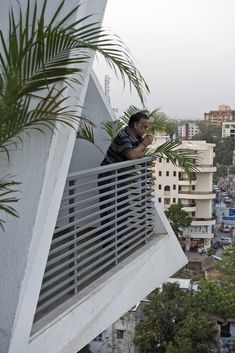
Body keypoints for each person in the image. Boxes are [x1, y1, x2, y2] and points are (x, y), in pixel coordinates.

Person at [98, 112, 153, 248]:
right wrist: (145, 144)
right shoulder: (124, 137)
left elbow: (138, 154)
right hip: (109, 176)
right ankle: (111, 245)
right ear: (136, 125)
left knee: (121, 210)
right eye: (144, 127)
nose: (146, 130)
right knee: (111, 211)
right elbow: (132, 155)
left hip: (119, 177)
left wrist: (141, 148)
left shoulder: (136, 138)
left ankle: (115, 243)